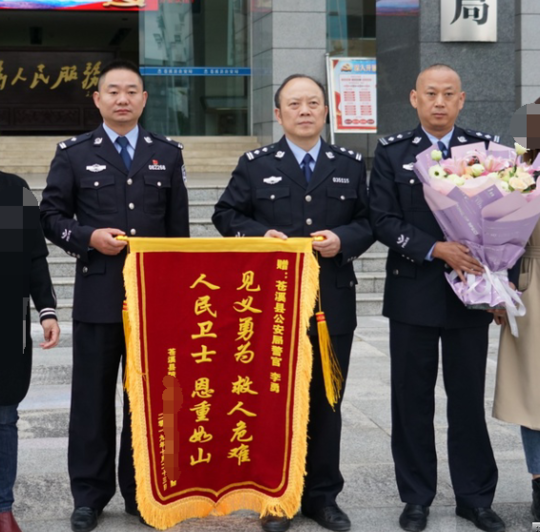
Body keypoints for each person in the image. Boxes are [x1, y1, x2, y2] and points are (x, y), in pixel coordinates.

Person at [213, 74, 373, 532]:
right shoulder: (255, 163)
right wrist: (257, 236)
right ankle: (276, 497)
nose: (305, 111)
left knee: (327, 399)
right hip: (271, 304)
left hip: (331, 302)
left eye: (314, 103)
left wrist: (342, 239)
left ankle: (323, 496)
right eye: (294, 104)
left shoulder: (350, 163)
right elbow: (225, 213)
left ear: (326, 111)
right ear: (278, 114)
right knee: (273, 401)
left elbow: (370, 220)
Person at [40, 59, 190, 532]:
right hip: (99, 296)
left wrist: (179, 299)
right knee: (92, 399)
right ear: (98, 99)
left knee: (147, 400)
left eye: (131, 91)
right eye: (113, 91)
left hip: (154, 301)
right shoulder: (73, 153)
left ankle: (141, 491)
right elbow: (49, 215)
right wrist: (86, 237)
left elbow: (178, 234)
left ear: (145, 99)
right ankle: (89, 494)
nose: (122, 99)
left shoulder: (167, 153)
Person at [369, 64, 506, 532]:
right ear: (414, 98)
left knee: (467, 398)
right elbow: (382, 219)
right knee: (412, 400)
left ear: (462, 100)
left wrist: (498, 282)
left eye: (449, 94)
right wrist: (434, 248)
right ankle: (416, 497)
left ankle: (475, 497)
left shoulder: (487, 150)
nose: (440, 102)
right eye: (431, 94)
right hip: (413, 292)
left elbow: (507, 215)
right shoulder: (391, 153)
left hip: (470, 293)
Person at [0, 171, 60, 532]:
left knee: (4, 417)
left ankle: (3, 509)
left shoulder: (12, 190)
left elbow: (34, 254)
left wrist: (47, 310)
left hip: (7, 323)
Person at [492, 108, 540, 523]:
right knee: (534, 391)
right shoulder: (518, 173)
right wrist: (499, 291)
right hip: (534, 285)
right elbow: (498, 234)